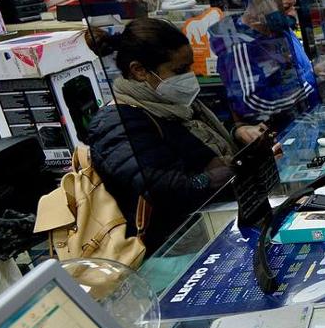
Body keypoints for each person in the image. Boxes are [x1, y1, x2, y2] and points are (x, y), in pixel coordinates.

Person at [85, 18, 238, 253]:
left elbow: (203, 148)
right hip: (173, 249)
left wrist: (238, 134)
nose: (189, 77)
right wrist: (222, 174)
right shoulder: (118, 124)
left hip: (214, 225)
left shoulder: (175, 104)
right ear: (139, 71)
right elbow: (162, 190)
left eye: (189, 68)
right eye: (179, 70)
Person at [210, 0, 320, 136]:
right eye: (286, 7)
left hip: (308, 124)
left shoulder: (279, 29)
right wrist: (310, 81)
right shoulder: (239, 46)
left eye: (294, 6)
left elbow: (298, 71)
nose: (293, 14)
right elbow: (251, 102)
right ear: (260, 1)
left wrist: (316, 70)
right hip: (283, 136)